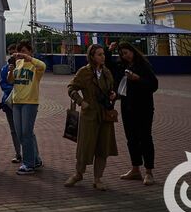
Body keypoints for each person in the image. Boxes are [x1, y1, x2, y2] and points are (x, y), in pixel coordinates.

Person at [65, 43, 119, 190]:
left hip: (105, 115)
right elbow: (71, 88)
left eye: (103, 54)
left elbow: (111, 90)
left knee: (103, 147)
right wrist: (81, 101)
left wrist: (113, 95)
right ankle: (78, 173)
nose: (103, 57)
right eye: (99, 54)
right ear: (91, 56)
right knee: (85, 146)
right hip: (89, 114)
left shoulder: (107, 72)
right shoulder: (84, 72)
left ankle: (98, 179)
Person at [109, 40, 159, 185]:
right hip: (127, 107)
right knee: (131, 139)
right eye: (122, 54)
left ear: (132, 51)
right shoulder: (122, 66)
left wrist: (137, 79)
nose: (124, 56)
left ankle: (149, 172)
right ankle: (135, 169)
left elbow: (153, 85)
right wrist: (116, 95)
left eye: (126, 53)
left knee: (145, 138)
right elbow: (121, 85)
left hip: (143, 107)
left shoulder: (143, 65)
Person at [7, 40, 47, 174]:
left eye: (24, 51)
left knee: (26, 133)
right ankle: (35, 159)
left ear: (30, 51)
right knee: (20, 133)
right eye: (20, 51)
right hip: (17, 101)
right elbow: (11, 81)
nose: (21, 54)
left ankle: (28, 164)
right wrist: (11, 71)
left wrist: (27, 57)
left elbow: (43, 66)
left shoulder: (35, 65)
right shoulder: (18, 63)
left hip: (30, 102)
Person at [0, 43, 22, 164]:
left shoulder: (25, 67)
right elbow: (3, 84)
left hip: (23, 101)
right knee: (13, 130)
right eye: (11, 52)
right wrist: (13, 90)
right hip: (9, 102)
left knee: (26, 130)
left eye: (15, 52)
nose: (13, 55)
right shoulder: (4, 69)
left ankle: (30, 154)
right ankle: (18, 153)